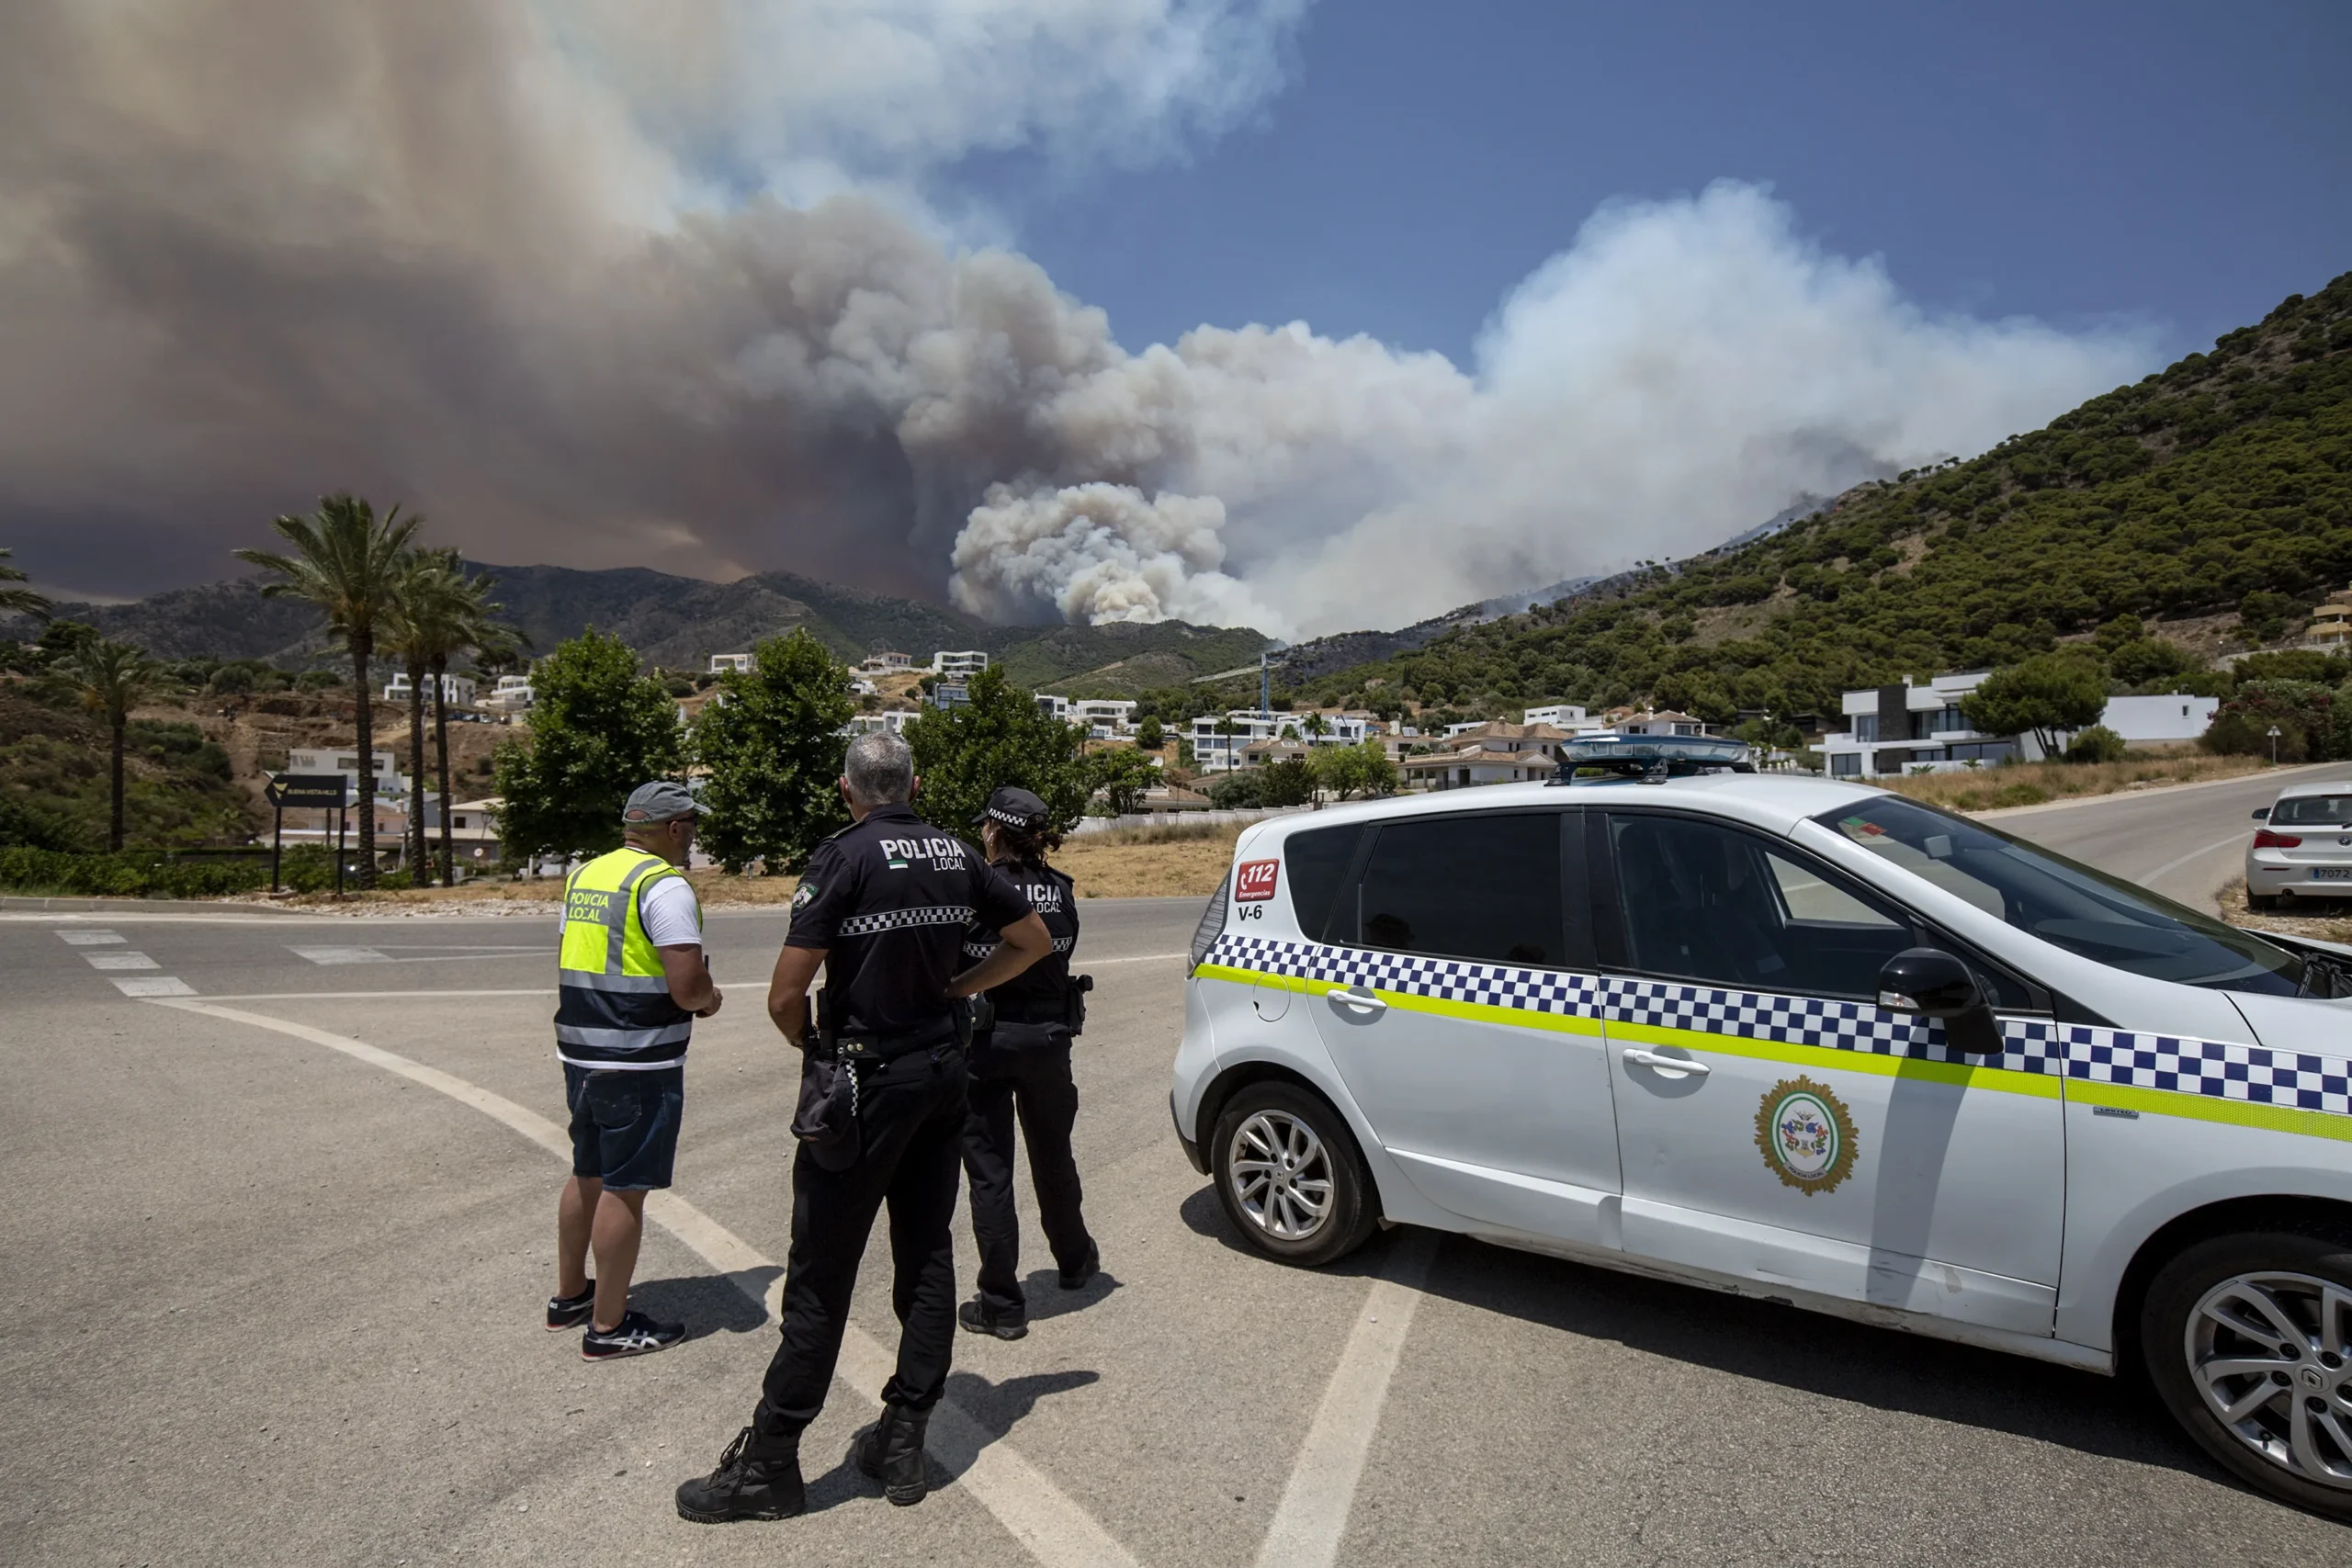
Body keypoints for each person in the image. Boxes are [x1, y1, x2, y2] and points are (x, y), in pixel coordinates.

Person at [675, 732, 1051, 1525]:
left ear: (848, 792)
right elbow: (1032, 942)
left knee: (822, 1270)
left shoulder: (844, 856)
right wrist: (957, 988)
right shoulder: (956, 852)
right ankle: (904, 1434)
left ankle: (771, 1459)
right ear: (913, 783)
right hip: (943, 1074)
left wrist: (809, 1047)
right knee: (926, 1252)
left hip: (867, 1080)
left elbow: (785, 995)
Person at [546, 781, 721, 1361]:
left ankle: (571, 1296)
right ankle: (608, 1326)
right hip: (637, 1054)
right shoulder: (664, 886)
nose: (694, 839)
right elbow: (688, 986)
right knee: (626, 1190)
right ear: (673, 829)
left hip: (580, 1050)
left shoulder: (586, 876)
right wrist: (710, 998)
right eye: (691, 827)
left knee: (586, 1173)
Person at [956, 786, 1098, 1341]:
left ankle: (1002, 1304)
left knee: (990, 1173)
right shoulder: (1061, 892)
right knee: (1053, 1155)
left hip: (986, 1042)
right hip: (1047, 1040)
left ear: (994, 832)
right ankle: (1074, 1258)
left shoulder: (979, 892)